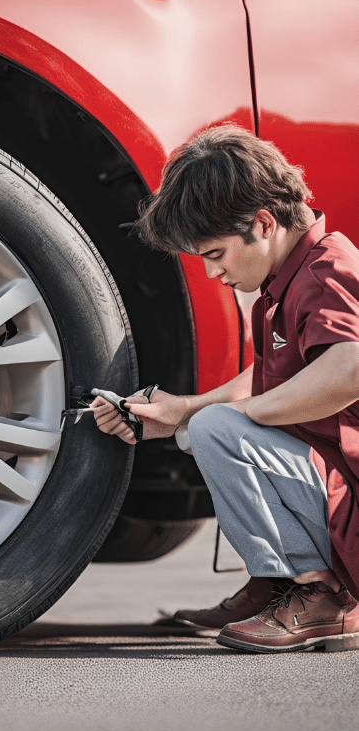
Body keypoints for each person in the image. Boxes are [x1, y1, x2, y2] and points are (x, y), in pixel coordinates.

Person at [91, 125, 359, 653]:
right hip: (334, 491)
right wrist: (181, 411)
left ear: (263, 223)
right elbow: (268, 380)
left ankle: (322, 594)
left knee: (218, 430)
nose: (213, 272)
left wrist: (230, 420)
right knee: (203, 428)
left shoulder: (328, 271)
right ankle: (278, 584)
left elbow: (349, 369)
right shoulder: (283, 286)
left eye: (215, 253)